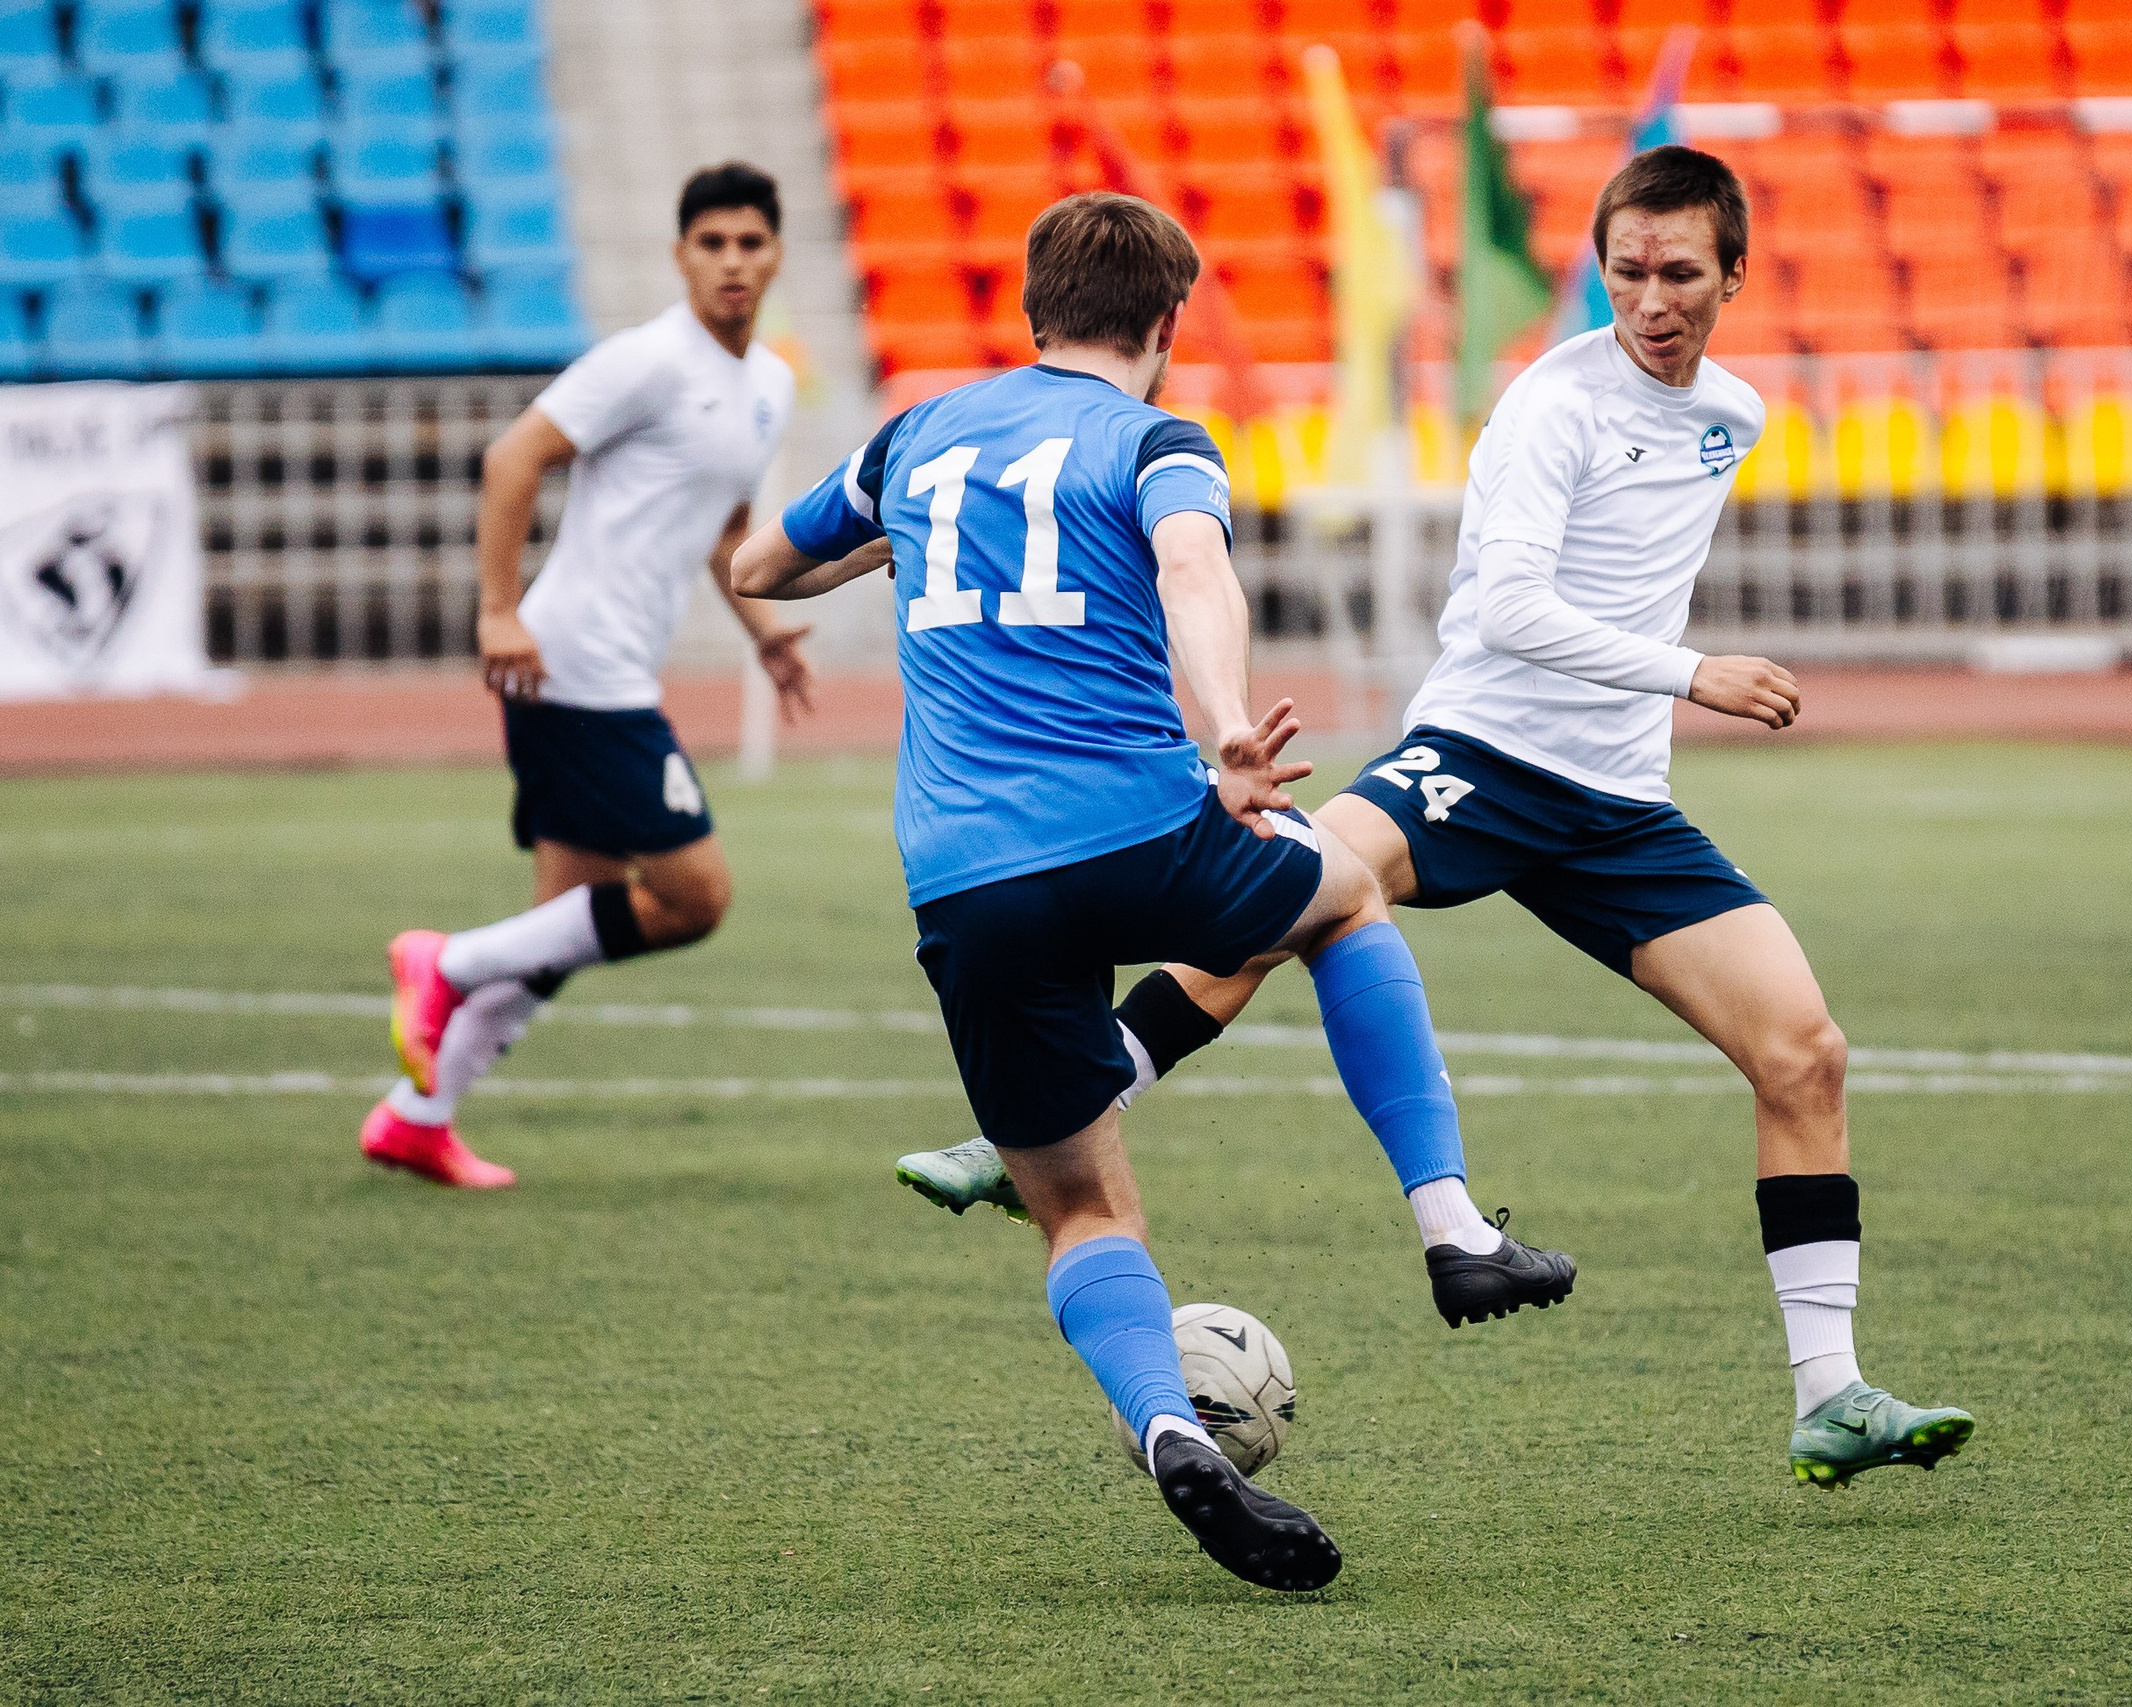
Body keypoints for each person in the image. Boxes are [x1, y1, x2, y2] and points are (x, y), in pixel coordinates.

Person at [895, 148, 1977, 1490]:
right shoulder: (1548, 407)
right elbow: (1514, 606)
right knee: (1284, 895)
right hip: (1482, 752)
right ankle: (1030, 1130)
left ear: (1733, 275)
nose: (1650, 299)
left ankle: (1832, 1390)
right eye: (1627, 270)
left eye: (1680, 272)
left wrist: (1660, 698)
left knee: (1805, 1051)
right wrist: (1696, 671)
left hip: (1619, 806)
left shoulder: (1733, 412)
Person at [726, 192, 1573, 1591]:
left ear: (1030, 312)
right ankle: (1452, 1226)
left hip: (965, 877)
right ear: (1167, 324)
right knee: (1344, 893)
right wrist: (1228, 722)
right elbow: (1194, 565)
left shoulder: (916, 435)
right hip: (1137, 830)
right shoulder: (1158, 440)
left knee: (1083, 1212)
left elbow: (762, 567)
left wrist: (898, 543)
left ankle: (1170, 1423)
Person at [365, 163, 810, 1189]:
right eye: (713, 243)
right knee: (695, 894)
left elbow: (726, 530)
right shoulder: (648, 361)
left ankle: (417, 1116)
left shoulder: (769, 385)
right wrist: (497, 608)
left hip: (610, 666)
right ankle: (447, 961)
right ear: (680, 257)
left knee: (565, 916)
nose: (733, 261)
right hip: (573, 662)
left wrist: (766, 637)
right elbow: (512, 458)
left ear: (776, 254)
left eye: (751, 242)